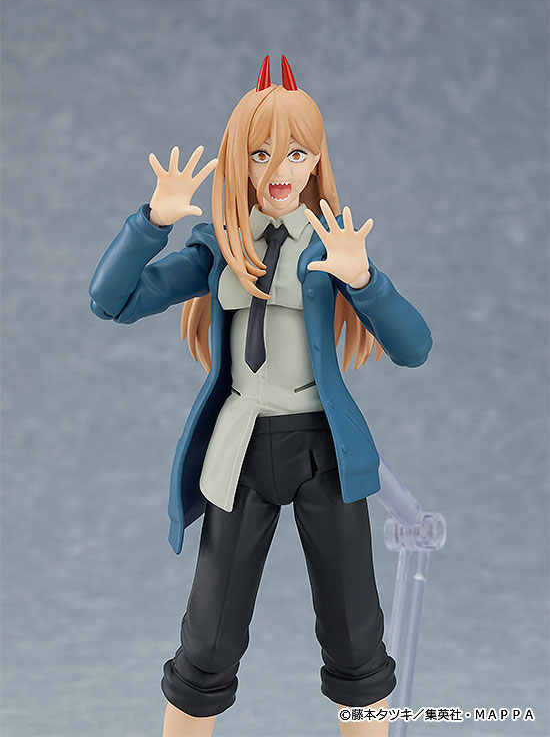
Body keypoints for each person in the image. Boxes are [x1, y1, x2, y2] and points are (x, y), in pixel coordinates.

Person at [89, 56, 433, 736]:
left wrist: (366, 282)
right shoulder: (219, 246)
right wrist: (150, 222)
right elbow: (112, 301)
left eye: (296, 153)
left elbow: (415, 347)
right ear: (238, 161)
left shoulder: (331, 249)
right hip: (239, 448)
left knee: (357, 645)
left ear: (316, 161)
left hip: (323, 453)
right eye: (260, 153)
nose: (279, 169)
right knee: (205, 644)